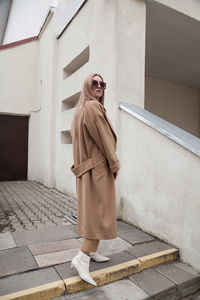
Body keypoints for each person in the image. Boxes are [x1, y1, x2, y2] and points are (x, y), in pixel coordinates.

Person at [70, 73, 120, 286]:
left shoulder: (81, 108)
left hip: (88, 169)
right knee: (99, 213)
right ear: (87, 86)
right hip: (98, 169)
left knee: (94, 212)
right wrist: (114, 164)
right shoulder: (92, 108)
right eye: (95, 83)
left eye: (102, 83)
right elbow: (104, 139)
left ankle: (91, 252)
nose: (99, 86)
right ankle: (81, 258)